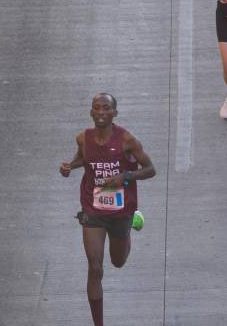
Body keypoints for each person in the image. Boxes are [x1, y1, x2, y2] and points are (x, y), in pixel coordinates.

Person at [59, 93, 156, 326]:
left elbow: (151, 169)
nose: (101, 112)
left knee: (118, 261)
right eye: (97, 108)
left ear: (115, 113)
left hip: (121, 211)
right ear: (91, 112)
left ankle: (131, 224)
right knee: (94, 267)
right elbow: (85, 158)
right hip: (93, 208)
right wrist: (69, 166)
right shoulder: (83, 138)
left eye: (106, 108)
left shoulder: (127, 140)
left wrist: (125, 176)